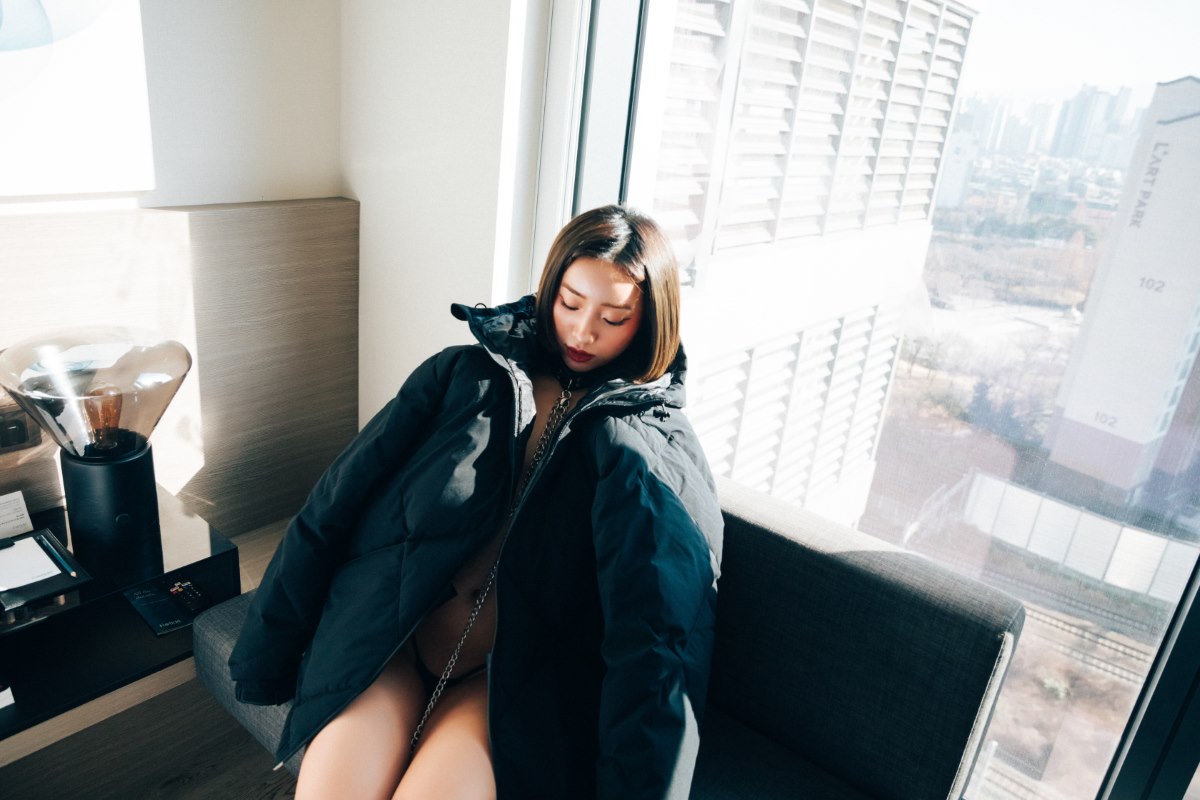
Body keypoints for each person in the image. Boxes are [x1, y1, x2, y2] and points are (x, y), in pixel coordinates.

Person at [229, 204, 724, 799]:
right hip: (393, 643)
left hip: (506, 687)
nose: (583, 332)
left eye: (613, 318)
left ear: (649, 322)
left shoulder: (654, 451)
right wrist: (268, 651)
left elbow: (660, 639)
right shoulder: (463, 376)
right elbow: (336, 500)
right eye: (570, 303)